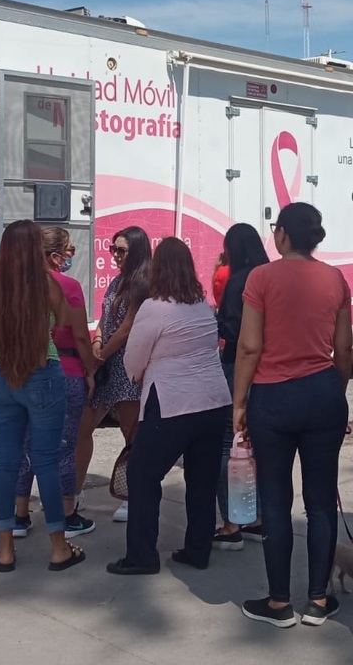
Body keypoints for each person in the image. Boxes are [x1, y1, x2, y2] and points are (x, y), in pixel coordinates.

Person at [233, 202, 352, 629]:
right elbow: (343, 352)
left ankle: (279, 602)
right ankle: (319, 601)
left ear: (282, 233)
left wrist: (239, 403)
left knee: (276, 499)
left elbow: (249, 347)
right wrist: (334, 395)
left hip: (272, 397)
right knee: (321, 499)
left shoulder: (260, 278)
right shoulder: (336, 279)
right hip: (322, 392)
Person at [107, 238, 232, 574]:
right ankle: (197, 550)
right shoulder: (202, 307)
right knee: (201, 481)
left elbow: (133, 360)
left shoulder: (153, 307)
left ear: (156, 269)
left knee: (143, 476)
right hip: (214, 402)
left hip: (171, 404)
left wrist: (138, 376)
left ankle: (142, 556)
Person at [0, 220, 93, 573]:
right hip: (43, 374)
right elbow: (65, 319)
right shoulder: (46, 284)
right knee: (46, 462)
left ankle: (4, 549)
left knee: (5, 463)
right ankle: (58, 548)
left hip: (0, 376)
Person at [5, 230, 96, 539]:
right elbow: (81, 335)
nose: (70, 257)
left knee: (26, 445)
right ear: (55, 256)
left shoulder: (14, 285)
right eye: (67, 251)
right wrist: (91, 370)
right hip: (64, 370)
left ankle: (19, 514)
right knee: (63, 447)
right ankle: (67, 513)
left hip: (21, 373)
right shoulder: (66, 286)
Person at [76, 226, 152, 523]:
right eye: (113, 250)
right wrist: (97, 344)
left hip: (127, 367)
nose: (115, 256)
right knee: (83, 427)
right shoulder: (117, 282)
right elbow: (105, 320)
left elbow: (127, 328)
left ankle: (134, 495)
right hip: (106, 364)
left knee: (132, 435)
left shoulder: (142, 283)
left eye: (121, 251)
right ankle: (75, 492)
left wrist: (100, 355)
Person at [212, 222, 269, 550]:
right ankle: (258, 517)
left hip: (238, 365)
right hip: (270, 368)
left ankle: (232, 522)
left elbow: (234, 331)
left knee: (228, 445)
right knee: (258, 445)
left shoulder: (238, 281)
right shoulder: (270, 276)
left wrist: (214, 320)